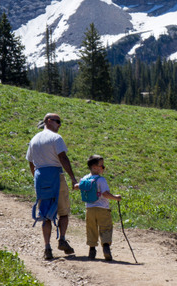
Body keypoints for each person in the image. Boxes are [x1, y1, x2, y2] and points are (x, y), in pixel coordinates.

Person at [26, 112, 79, 260]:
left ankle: (47, 248)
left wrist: (35, 177)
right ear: (48, 121)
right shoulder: (56, 138)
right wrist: (73, 178)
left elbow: (30, 162)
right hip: (56, 175)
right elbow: (63, 157)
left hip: (40, 176)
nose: (59, 125)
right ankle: (62, 238)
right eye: (57, 121)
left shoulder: (34, 139)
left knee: (45, 214)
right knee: (63, 211)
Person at [80, 155, 122, 261]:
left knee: (91, 229)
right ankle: (106, 247)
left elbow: (78, 186)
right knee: (106, 227)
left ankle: (92, 249)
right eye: (102, 166)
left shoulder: (85, 179)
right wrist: (115, 197)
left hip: (89, 209)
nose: (103, 167)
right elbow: (105, 193)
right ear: (95, 167)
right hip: (102, 208)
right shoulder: (101, 180)